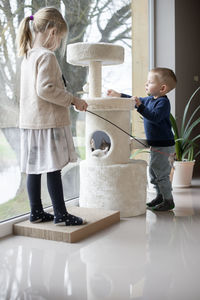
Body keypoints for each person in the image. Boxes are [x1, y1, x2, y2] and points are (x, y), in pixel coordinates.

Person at [17, 7, 88, 225]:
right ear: (52, 31)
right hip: (47, 122)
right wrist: (73, 100)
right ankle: (61, 214)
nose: (58, 43)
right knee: (53, 168)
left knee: (34, 169)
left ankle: (36, 212)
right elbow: (45, 89)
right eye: (60, 37)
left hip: (31, 122)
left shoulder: (28, 55)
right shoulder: (46, 56)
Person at [107, 67, 177, 211]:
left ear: (162, 88)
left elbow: (154, 117)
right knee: (153, 172)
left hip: (164, 146)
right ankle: (160, 196)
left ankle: (168, 200)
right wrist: (119, 95)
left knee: (161, 174)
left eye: (150, 82)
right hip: (157, 145)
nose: (146, 84)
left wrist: (140, 106)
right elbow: (135, 101)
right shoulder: (150, 99)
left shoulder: (163, 103)